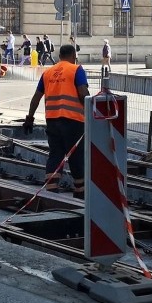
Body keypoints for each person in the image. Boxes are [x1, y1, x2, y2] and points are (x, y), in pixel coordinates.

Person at [23, 44, 90, 198]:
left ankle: (51, 191)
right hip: (73, 121)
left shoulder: (48, 72)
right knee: (76, 156)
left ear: (60, 56)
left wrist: (29, 118)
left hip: (52, 121)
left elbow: (36, 98)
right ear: (73, 55)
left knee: (56, 154)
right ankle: (80, 193)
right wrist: (91, 110)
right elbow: (83, 93)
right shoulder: (76, 70)